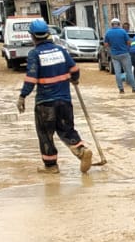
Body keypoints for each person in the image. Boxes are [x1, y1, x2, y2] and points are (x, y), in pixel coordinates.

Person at [16, 19, 94, 173]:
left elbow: (31, 79)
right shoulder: (61, 50)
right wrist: (75, 79)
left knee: (46, 134)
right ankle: (81, 151)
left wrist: (23, 96)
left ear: (33, 36)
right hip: (64, 101)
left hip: (45, 103)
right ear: (47, 34)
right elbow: (74, 69)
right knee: (67, 130)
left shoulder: (34, 54)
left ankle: (51, 166)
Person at [104, 17, 135, 94]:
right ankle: (134, 88)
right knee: (129, 72)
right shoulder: (123, 31)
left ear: (112, 24)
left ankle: (121, 89)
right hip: (124, 54)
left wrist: (111, 50)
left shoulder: (108, 32)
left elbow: (106, 44)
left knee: (117, 73)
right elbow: (129, 42)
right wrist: (127, 48)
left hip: (114, 55)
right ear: (119, 24)